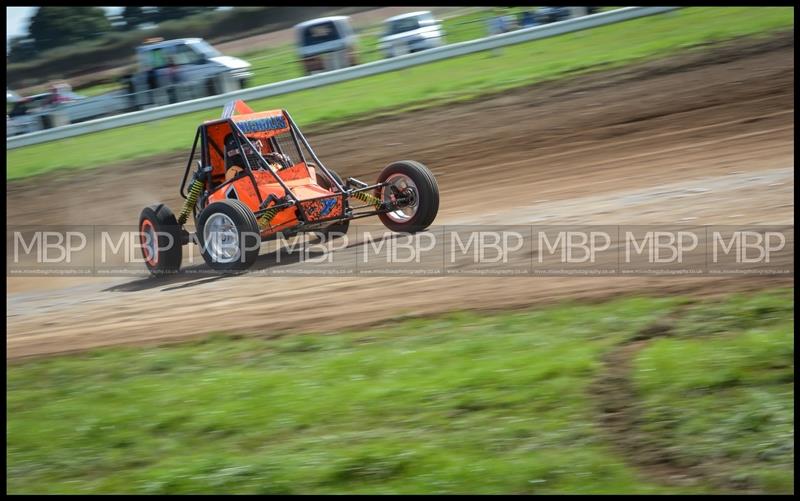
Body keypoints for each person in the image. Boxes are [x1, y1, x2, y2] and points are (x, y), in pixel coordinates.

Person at [223, 134, 293, 182]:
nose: (255, 151)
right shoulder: (233, 171)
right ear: (236, 154)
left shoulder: (263, 162)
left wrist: (282, 162)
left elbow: (282, 173)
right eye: (249, 150)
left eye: (257, 146)